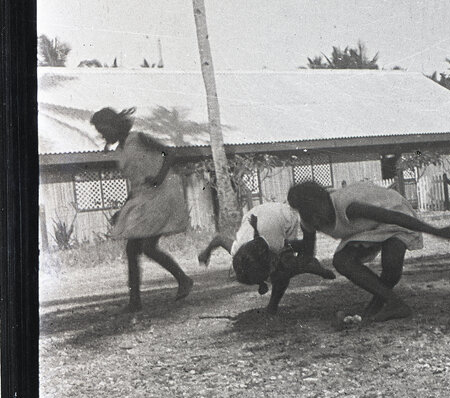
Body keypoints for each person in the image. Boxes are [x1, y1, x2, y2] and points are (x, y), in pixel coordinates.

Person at [286, 180, 450, 324]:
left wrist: (436, 231)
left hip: (394, 214)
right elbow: (308, 255)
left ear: (325, 200)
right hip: (365, 230)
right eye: (311, 216)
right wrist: (284, 251)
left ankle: (385, 303)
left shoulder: (348, 206)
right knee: (342, 261)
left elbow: (394, 217)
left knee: (391, 264)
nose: (318, 220)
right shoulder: (309, 221)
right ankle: (393, 302)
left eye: (317, 212)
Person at [90, 107, 194, 313]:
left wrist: (159, 178)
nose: (103, 135)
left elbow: (170, 153)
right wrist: (123, 209)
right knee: (136, 249)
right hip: (143, 197)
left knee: (143, 247)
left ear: (114, 125)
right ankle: (142, 298)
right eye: (100, 132)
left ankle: (178, 282)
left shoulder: (139, 138)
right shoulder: (120, 150)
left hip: (162, 192)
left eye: (104, 130)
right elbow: (136, 182)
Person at [198, 201, 336, 313]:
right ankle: (303, 260)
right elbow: (219, 239)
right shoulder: (238, 249)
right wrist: (206, 252)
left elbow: (276, 267)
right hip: (257, 213)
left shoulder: (275, 247)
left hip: (284, 216)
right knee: (255, 271)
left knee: (285, 270)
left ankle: (274, 305)